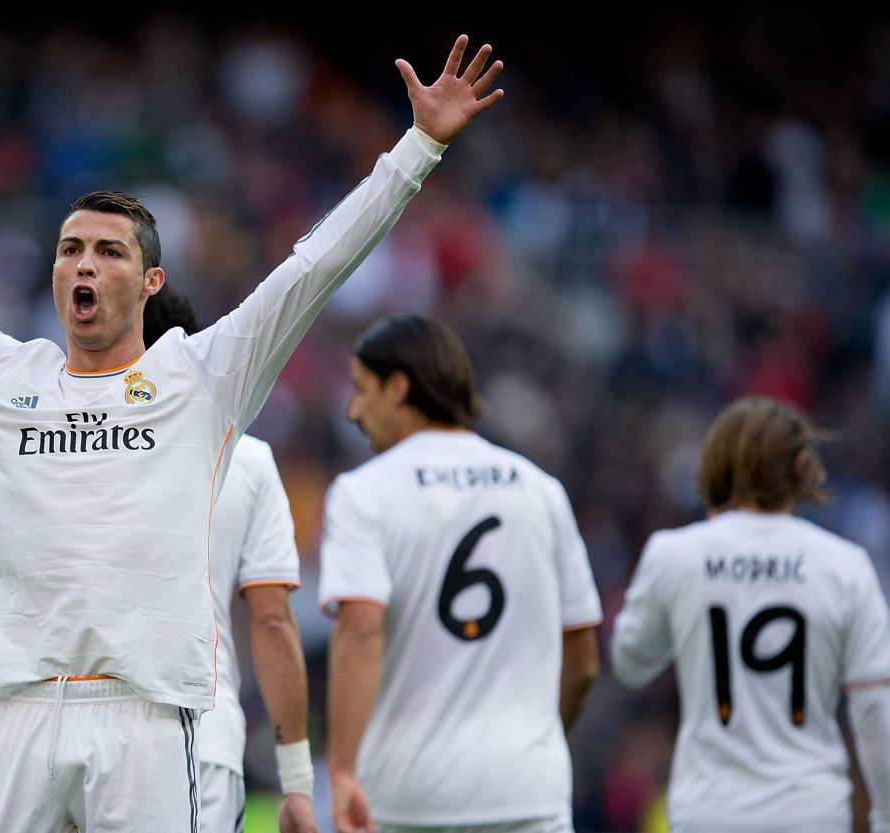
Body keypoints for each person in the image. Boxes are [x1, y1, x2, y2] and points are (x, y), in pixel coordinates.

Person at [0, 35, 502, 832]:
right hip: (19, 708)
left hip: (149, 715)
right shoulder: (4, 379)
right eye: (69, 250)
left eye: (107, 251)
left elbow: (315, 267)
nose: (83, 265)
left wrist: (421, 147)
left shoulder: (202, 378)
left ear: (150, 280)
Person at [319, 313, 601, 833]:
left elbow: (360, 629)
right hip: (529, 791)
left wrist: (340, 773)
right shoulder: (542, 490)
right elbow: (583, 659)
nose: (352, 410)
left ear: (399, 387)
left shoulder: (364, 493)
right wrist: (537, 739)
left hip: (413, 798)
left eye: (361, 389)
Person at [612, 397, 890, 833]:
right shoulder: (845, 565)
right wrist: (886, 817)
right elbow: (875, 705)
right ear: (802, 465)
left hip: (708, 813)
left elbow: (630, 664)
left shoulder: (674, 555)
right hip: (810, 813)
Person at [141, 287, 318, 833]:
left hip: (75, 734)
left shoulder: (68, 443)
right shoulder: (251, 460)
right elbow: (271, 621)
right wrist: (297, 784)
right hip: (199, 734)